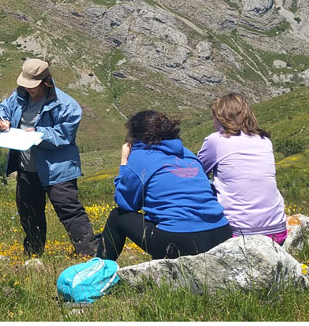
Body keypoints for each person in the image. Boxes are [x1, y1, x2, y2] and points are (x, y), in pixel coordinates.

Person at [0, 58, 98, 257]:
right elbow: (1, 109)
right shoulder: (19, 96)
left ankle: (89, 253)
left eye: (33, 86)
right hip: (27, 168)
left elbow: (65, 135)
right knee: (29, 213)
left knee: (69, 210)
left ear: (45, 82)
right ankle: (33, 255)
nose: (28, 89)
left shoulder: (66, 105)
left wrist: (38, 134)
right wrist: (0, 122)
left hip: (57, 169)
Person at [97, 111, 232, 261]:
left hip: (180, 239)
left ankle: (99, 271)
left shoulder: (140, 157)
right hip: (222, 232)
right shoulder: (187, 153)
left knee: (118, 217)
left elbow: (125, 203)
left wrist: (124, 163)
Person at [197, 93, 287, 245]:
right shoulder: (264, 140)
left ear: (220, 117)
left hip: (239, 234)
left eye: (213, 117)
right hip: (277, 231)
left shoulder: (216, 140)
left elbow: (197, 173)